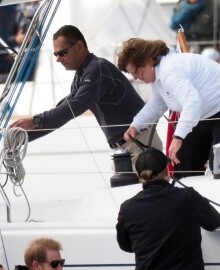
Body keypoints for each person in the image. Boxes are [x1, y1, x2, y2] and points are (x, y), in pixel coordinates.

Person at [10, 25, 162, 168]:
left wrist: (36, 120)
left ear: (80, 47)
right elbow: (64, 110)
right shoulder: (82, 75)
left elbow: (76, 106)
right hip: (129, 147)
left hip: (139, 143)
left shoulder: (97, 69)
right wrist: (23, 138)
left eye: (62, 53)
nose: (58, 59)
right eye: (56, 54)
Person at [116, 147, 220, 270]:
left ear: (139, 176)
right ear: (167, 171)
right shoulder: (187, 197)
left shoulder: (128, 208)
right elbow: (214, 221)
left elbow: (126, 245)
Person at [117, 38, 220, 177]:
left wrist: (178, 137)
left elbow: (192, 102)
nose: (135, 78)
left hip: (213, 111)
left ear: (148, 62)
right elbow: (158, 103)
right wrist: (136, 125)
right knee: (182, 164)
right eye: (131, 74)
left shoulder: (169, 70)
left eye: (136, 72)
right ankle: (189, 197)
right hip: (203, 116)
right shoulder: (158, 76)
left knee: (217, 166)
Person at [7, 1, 40, 81]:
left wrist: (31, 38)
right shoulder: (17, 12)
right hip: (19, 55)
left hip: (37, 55)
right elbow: (8, 38)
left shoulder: (44, 8)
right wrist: (16, 39)